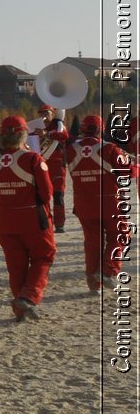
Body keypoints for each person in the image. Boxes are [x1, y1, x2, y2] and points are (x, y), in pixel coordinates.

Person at [0, 115, 56, 321]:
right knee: (44, 257)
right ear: (24, 135)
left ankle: (20, 310)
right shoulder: (33, 159)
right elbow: (47, 193)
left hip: (4, 220)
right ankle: (29, 297)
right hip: (32, 217)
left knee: (16, 265)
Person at [66, 114, 131, 292]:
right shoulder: (109, 148)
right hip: (109, 201)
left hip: (83, 204)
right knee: (119, 235)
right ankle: (107, 270)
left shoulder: (71, 150)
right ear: (100, 129)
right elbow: (127, 171)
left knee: (92, 242)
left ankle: (93, 284)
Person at [36, 105, 71, 233]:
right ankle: (46, 223)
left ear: (52, 114)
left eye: (46, 113)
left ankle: (60, 224)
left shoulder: (59, 126)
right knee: (42, 196)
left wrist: (46, 134)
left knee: (58, 195)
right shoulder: (36, 128)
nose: (43, 115)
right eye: (41, 113)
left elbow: (64, 135)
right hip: (42, 165)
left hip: (57, 165)